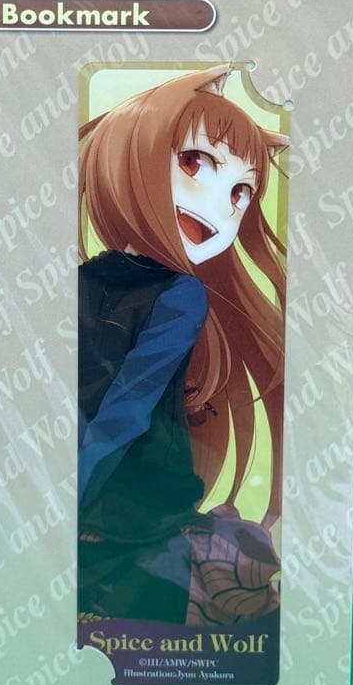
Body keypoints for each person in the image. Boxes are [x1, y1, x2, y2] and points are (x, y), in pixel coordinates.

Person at [78, 64, 286, 626]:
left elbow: (128, 406)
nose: (219, 205)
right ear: (130, 157)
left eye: (241, 191)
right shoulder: (82, 280)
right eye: (194, 163)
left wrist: (68, 492)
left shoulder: (181, 294)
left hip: (134, 501)